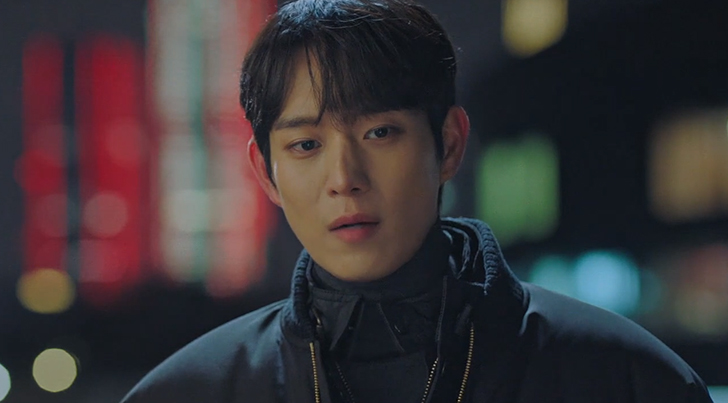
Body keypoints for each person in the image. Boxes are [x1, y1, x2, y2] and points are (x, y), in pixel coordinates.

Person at [121, 0, 713, 402]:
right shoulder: (189, 392)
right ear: (265, 173)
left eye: (380, 133)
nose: (344, 178)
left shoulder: (622, 378)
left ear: (449, 143)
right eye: (305, 145)